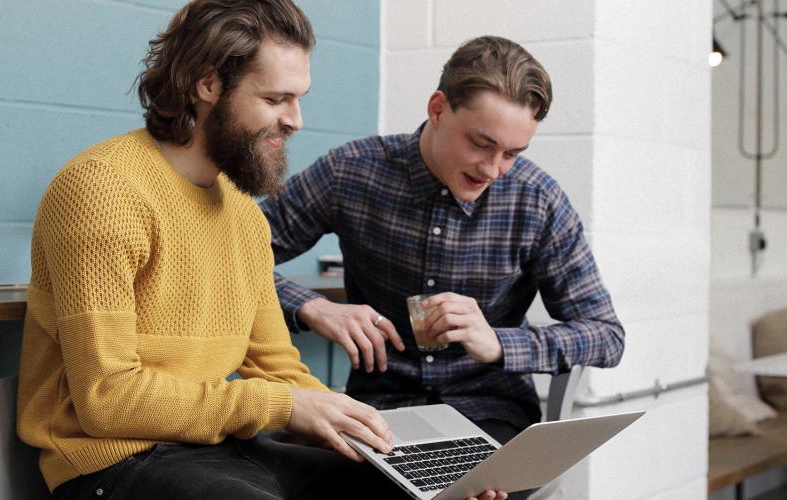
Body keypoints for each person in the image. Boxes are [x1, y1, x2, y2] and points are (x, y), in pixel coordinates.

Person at [16, 2, 507, 499]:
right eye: (276, 99)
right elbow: (108, 400)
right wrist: (286, 407)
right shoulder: (102, 191)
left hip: (220, 450)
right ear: (208, 85)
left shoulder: (244, 216)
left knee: (419, 494)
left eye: (298, 99)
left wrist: (383, 440)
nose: (296, 120)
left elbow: (277, 368)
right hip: (113, 463)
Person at [261, 35, 625, 498]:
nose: (494, 169)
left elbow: (606, 335)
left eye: (513, 154)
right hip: (377, 412)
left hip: (494, 417)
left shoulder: (537, 199)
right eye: (481, 143)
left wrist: (498, 343)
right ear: (437, 108)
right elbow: (232, 256)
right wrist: (311, 307)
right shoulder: (351, 171)